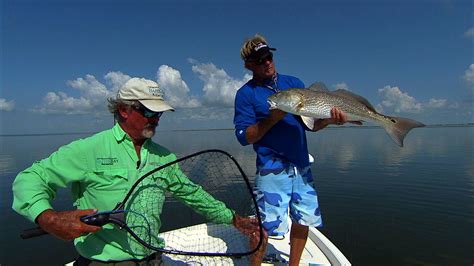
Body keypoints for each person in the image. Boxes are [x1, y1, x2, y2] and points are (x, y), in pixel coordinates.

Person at [12, 77, 258, 265]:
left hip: (153, 258)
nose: (156, 119)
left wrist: (233, 218)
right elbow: (31, 178)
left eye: (159, 113)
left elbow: (192, 193)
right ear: (124, 110)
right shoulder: (89, 149)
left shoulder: (164, 156)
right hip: (103, 261)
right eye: (149, 112)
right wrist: (48, 217)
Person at [233, 34, 348, 266]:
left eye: (269, 56)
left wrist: (330, 120)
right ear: (248, 65)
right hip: (271, 167)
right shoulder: (246, 94)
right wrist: (271, 120)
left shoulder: (293, 82)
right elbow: (244, 137)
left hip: (301, 164)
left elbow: (312, 125)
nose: (267, 61)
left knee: (303, 219)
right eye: (259, 59)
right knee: (264, 228)